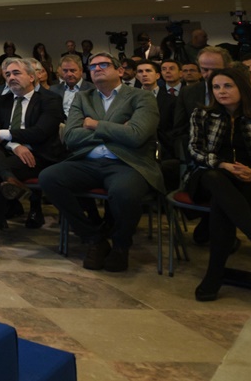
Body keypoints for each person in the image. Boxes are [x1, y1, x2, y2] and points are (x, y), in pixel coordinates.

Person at [39, 52, 163, 273]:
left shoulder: (141, 97)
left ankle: (121, 245)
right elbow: (70, 137)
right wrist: (118, 129)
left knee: (124, 193)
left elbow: (136, 136)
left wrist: (94, 124)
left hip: (127, 162)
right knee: (49, 178)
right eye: (93, 66)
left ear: (120, 71)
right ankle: (94, 238)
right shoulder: (83, 97)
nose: (97, 69)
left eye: (103, 64)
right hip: (88, 161)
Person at [186, 67, 251, 301]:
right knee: (216, 179)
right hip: (207, 177)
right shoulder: (202, 115)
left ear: (243, 87)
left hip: (249, 183)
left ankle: (214, 275)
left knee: (221, 204)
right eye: (216, 87)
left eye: (228, 86)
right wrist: (222, 164)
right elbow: (194, 151)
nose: (221, 92)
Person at [0, 57, 66, 257]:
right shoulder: (2, 100)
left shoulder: (50, 100)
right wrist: (16, 145)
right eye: (8, 74)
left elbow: (40, 132)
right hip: (10, 153)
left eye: (16, 73)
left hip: (39, 156)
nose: (11, 78)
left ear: (32, 76)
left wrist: (5, 136)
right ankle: (8, 178)